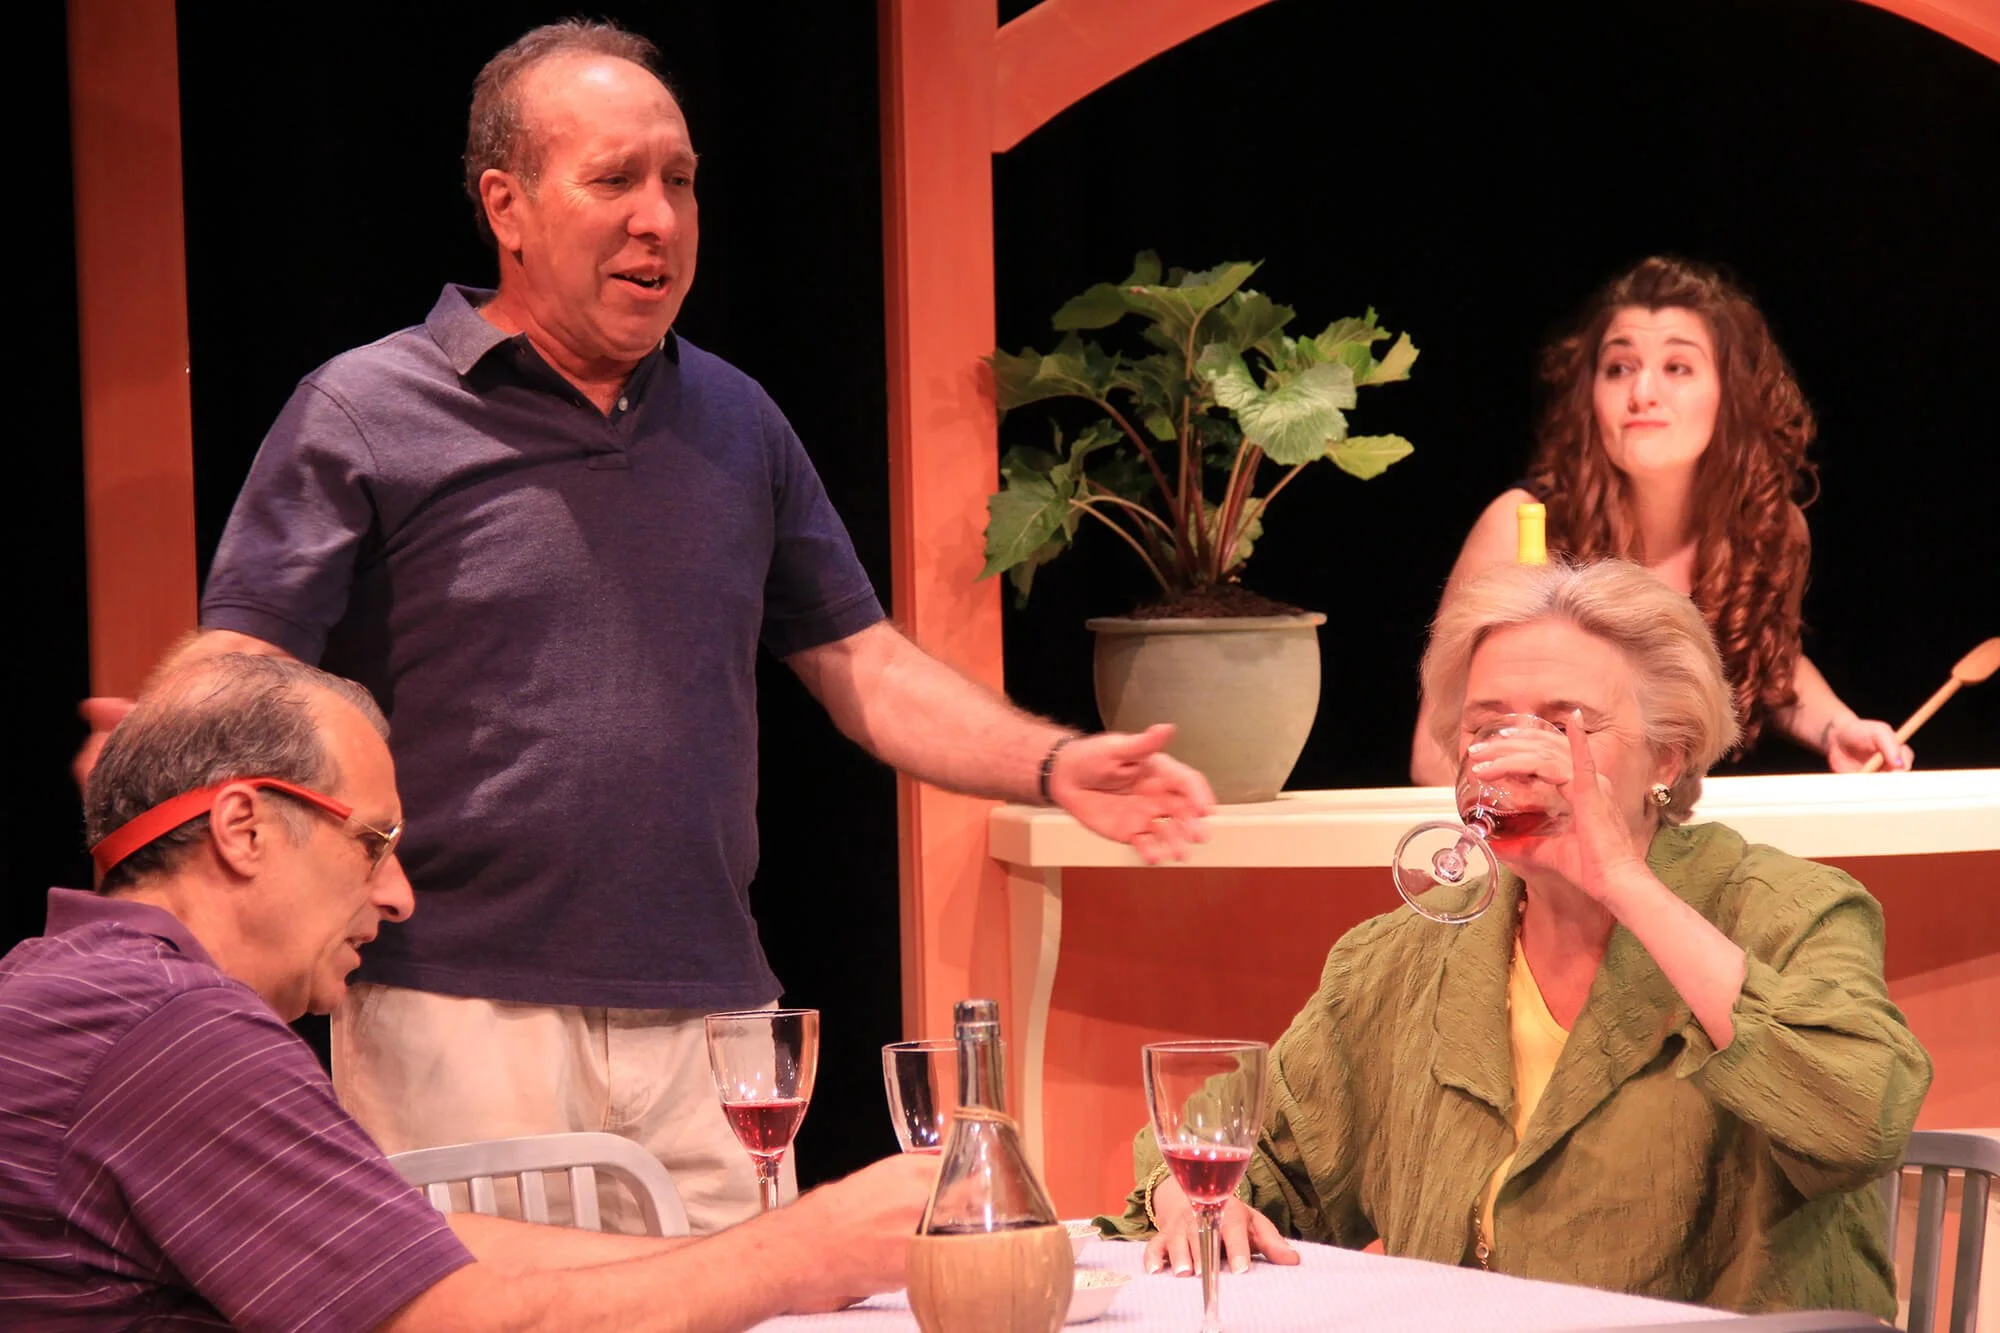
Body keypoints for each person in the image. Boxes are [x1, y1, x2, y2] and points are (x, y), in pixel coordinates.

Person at [72, 19, 1212, 1233]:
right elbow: (250, 664)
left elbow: (859, 663)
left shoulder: (737, 418)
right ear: (507, 207)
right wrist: (164, 753)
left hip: (711, 1020)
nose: (658, 218)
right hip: (456, 1007)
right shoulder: (363, 410)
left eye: (678, 181)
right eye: (615, 180)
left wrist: (1050, 762)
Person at [4, 653, 936, 1331]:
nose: (399, 895)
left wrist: (798, 1260)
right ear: (244, 827)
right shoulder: (172, 1034)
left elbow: (416, 1247)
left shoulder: (81, 990)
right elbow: (456, 1315)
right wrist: (799, 1250)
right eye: (374, 842)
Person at [1114, 560, 1930, 1318]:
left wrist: (1627, 885)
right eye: (1488, 726)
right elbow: (1235, 1145)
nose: (1519, 755)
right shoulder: (1405, 953)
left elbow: (1857, 1120)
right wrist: (1188, 1199)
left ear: (1668, 753)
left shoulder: (1790, 911)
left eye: (1566, 724)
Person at [1410, 256, 1908, 784]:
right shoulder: (1525, 526)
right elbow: (1434, 754)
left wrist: (1837, 728)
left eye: (1677, 368)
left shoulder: (1772, 529)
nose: (1642, 393)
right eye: (1619, 368)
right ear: (1590, 397)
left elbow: (1768, 662)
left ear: (1732, 394)